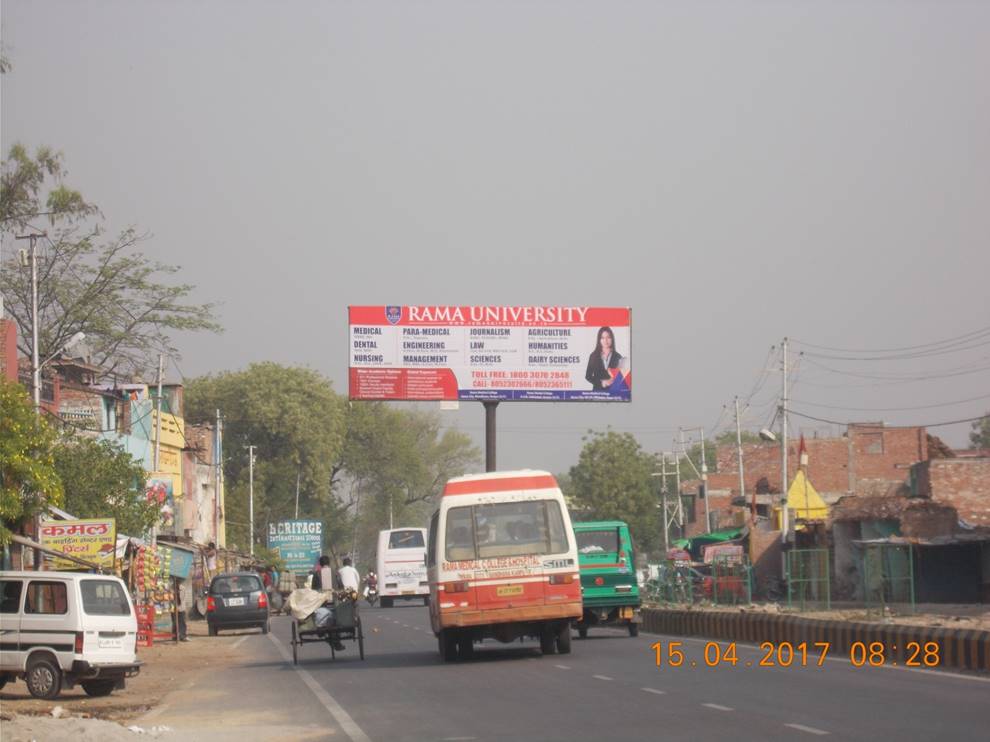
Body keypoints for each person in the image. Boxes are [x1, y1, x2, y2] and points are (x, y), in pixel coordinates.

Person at [585, 326, 623, 390]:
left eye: (608, 337)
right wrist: (602, 383)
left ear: (612, 339)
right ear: (599, 340)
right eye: (602, 338)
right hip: (597, 393)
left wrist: (613, 380)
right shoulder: (593, 356)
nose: (605, 340)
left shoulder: (618, 357)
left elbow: (622, 378)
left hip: (613, 394)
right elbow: (588, 376)